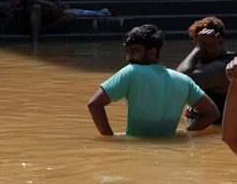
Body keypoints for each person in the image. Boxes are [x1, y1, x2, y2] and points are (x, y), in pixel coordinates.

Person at [87, 24, 219, 137]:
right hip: (170, 152)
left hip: (137, 151)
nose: (129, 57)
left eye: (134, 51)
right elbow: (212, 113)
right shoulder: (184, 80)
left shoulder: (131, 71)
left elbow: (94, 104)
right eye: (127, 52)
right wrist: (185, 134)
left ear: (152, 53)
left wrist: (110, 139)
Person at [175, 16, 235, 124]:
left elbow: (178, 80)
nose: (200, 52)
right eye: (196, 44)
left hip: (215, 131)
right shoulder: (211, 60)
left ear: (220, 41)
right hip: (200, 131)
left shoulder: (225, 68)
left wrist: (199, 47)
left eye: (205, 45)